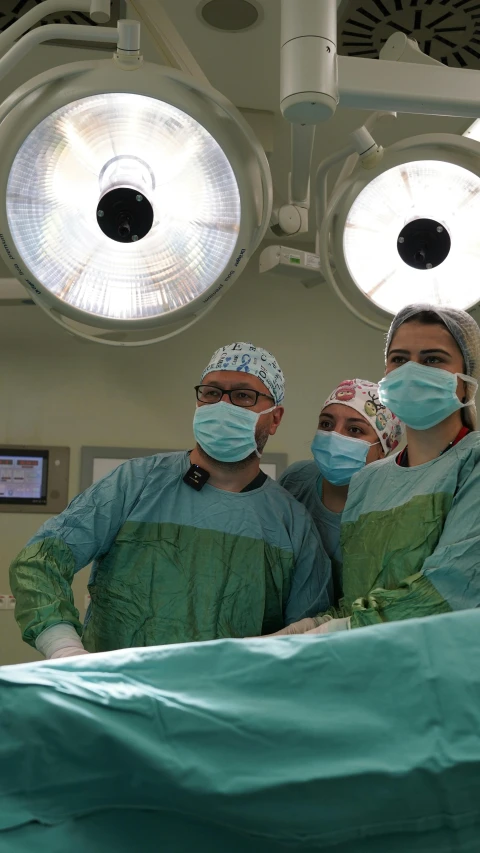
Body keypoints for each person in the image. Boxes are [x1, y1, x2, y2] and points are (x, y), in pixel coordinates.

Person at [10, 342, 333, 659]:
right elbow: (40, 562)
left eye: (243, 395)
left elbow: (308, 640)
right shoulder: (136, 484)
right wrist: (63, 647)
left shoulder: (291, 524)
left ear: (274, 419)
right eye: (210, 392)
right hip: (117, 697)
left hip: (228, 704)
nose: (222, 405)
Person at [273, 304, 480, 636]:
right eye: (399, 359)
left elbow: (452, 591)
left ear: (467, 375)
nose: (412, 371)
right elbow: (357, 595)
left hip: (447, 670)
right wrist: (312, 626)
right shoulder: (369, 481)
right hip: (367, 664)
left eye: (432, 359)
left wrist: (340, 631)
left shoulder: (473, 463)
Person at [279, 379, 403, 601]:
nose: (335, 436)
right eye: (326, 424)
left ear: (383, 449)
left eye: (355, 430)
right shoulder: (296, 482)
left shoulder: (393, 511)